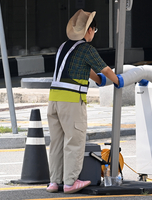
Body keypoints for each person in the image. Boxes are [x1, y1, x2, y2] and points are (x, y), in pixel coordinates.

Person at [46, 9, 121, 194]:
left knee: (56, 142)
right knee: (74, 141)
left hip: (54, 100)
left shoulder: (64, 47)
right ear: (89, 30)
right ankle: (70, 182)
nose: (94, 34)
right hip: (72, 102)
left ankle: (55, 182)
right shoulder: (87, 49)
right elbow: (106, 70)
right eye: (94, 30)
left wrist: (97, 80)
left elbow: (85, 70)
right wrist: (119, 81)